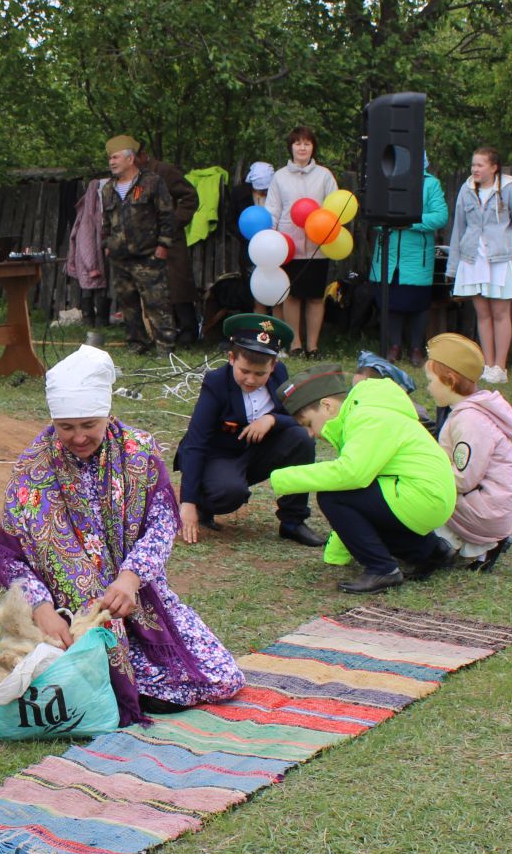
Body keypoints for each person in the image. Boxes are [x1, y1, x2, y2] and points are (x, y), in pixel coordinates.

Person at [0, 345, 244, 721]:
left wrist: (130, 578)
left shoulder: (138, 452)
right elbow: (10, 558)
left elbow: (162, 524)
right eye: (66, 427)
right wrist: (42, 610)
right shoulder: (33, 469)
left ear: (108, 414)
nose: (78, 437)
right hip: (70, 616)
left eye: (89, 425)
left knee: (219, 679)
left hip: (135, 598)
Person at [266, 367, 456, 594]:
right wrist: (335, 555)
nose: (311, 433)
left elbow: (351, 475)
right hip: (424, 495)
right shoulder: (365, 412)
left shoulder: (366, 417)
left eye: (308, 423)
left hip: (420, 495)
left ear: (327, 406)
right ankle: (431, 552)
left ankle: (382, 569)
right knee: (346, 497)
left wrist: (284, 477)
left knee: (332, 496)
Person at [172, 313, 323, 548]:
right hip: (220, 455)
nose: (251, 379)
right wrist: (187, 502)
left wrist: (272, 419)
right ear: (232, 358)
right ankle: (204, 503)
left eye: (260, 373)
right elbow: (196, 442)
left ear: (273, 366)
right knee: (228, 493)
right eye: (245, 371)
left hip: (258, 450)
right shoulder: (216, 383)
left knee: (301, 438)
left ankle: (293, 522)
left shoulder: (280, 376)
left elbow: (299, 417)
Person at [422, 334, 512, 571]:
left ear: (450, 381)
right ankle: (468, 544)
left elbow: (464, 478)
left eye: (431, 380)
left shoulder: (470, 421)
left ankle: (468, 543)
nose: (428, 387)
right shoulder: (467, 413)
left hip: (486, 510)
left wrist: (425, 478)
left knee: (420, 495)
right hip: (487, 505)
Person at [447, 146, 512, 385]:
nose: (475, 169)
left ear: (494, 167)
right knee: (482, 313)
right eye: (473, 165)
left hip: (499, 258)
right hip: (473, 258)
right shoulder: (466, 190)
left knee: (500, 312)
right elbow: (459, 228)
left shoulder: (508, 190)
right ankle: (487, 364)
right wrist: (454, 265)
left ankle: (500, 367)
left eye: (480, 165)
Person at [369, 154, 449, 366]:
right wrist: (389, 222)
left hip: (416, 256)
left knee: (418, 302)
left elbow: (440, 216)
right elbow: (374, 216)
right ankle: (393, 346)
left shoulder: (431, 184)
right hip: (388, 254)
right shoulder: (386, 181)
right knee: (390, 300)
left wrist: (410, 222)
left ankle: (416, 348)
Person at [100, 134, 176, 355]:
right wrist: (107, 243)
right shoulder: (107, 189)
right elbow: (105, 221)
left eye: (115, 158)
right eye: (110, 159)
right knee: (128, 305)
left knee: (157, 302)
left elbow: (166, 215)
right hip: (119, 257)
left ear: (130, 159)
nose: (111, 162)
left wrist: (164, 245)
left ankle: (165, 347)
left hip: (148, 255)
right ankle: (137, 344)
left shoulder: (152, 182)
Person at [266, 127, 339, 358]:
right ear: (291, 147)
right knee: (292, 295)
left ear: (313, 147)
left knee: (316, 297)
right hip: (289, 245)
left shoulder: (325, 175)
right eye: (298, 143)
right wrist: (272, 238)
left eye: (307, 143)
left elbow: (334, 207)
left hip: (318, 245)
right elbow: (273, 210)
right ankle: (295, 344)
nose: (302, 148)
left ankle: (313, 346)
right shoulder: (279, 176)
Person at [137, 144, 201, 343]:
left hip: (171, 240)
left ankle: (189, 331)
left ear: (142, 155)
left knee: (178, 286)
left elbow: (189, 196)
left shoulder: (164, 171)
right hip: (145, 241)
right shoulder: (131, 178)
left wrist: (173, 222)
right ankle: (161, 333)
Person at [66, 178, 109, 346]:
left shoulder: (96, 209)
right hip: (87, 258)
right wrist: (91, 265)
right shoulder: (88, 213)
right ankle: (89, 318)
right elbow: (84, 240)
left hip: (96, 256)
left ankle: (101, 320)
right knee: (89, 287)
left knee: (99, 287)